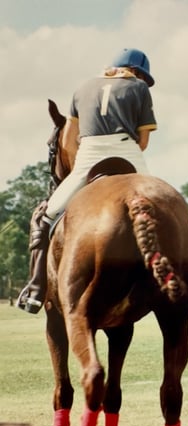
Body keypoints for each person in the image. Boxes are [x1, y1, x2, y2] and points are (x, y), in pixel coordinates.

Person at [17, 47, 157, 314]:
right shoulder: (139, 88)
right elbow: (144, 142)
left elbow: (69, 140)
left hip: (88, 154)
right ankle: (179, 287)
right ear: (136, 72)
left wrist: (84, 161)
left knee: (46, 216)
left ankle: (36, 287)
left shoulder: (82, 88)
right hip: (127, 150)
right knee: (162, 210)